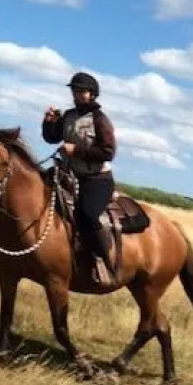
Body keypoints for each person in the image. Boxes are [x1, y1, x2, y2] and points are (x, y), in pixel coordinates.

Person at [42, 70, 119, 286]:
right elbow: (51, 138)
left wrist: (76, 149)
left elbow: (108, 152)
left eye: (81, 91)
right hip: (68, 175)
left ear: (92, 94)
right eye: (75, 90)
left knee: (87, 214)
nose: (76, 94)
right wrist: (49, 122)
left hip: (96, 179)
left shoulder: (100, 120)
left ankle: (104, 258)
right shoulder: (68, 115)